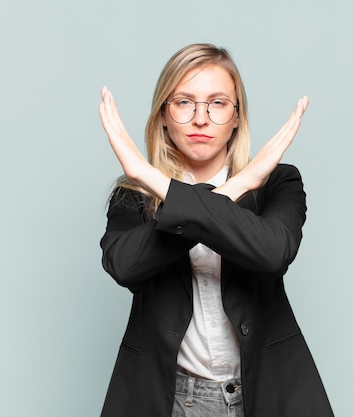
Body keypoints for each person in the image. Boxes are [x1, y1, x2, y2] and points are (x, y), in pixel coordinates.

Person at [98, 43, 334, 417]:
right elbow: (124, 267)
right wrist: (154, 180)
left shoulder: (277, 183)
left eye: (218, 103)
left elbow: (274, 254)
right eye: (184, 102)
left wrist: (241, 186)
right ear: (163, 114)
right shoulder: (135, 197)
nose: (201, 119)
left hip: (268, 395)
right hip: (173, 400)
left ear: (237, 116)